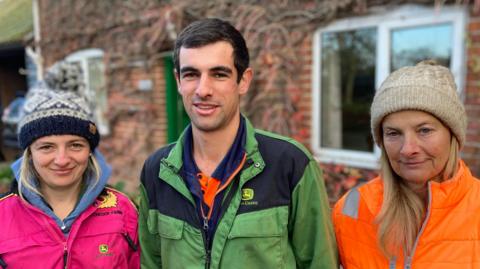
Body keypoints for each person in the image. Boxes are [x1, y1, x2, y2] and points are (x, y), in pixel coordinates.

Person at [138, 18, 337, 269]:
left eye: (219, 74)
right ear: (178, 81)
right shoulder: (157, 170)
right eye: (191, 74)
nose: (203, 89)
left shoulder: (290, 164)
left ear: (243, 80)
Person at [333, 60, 480, 268]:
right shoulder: (352, 208)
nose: (407, 149)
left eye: (424, 130)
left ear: (453, 135)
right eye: (393, 133)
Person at [0, 62, 139, 269]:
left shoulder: (122, 210)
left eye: (75, 145)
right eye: (47, 147)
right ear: (29, 153)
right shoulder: (3, 216)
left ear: (90, 150)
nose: (62, 159)